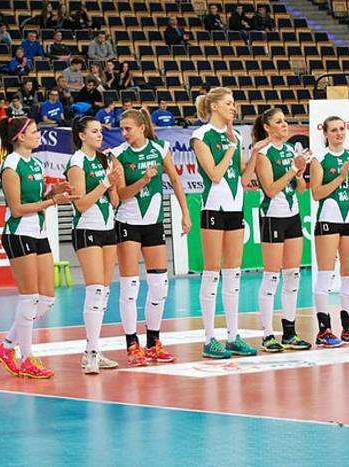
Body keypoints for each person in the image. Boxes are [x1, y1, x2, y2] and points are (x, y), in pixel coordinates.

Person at [0, 117, 76, 379]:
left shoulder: (35, 163)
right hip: (19, 233)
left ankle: (7, 346)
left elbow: (36, 198)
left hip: (38, 232)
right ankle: (26, 358)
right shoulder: (11, 165)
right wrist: (53, 202)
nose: (39, 135)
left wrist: (53, 191)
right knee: (29, 297)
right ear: (20, 136)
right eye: (35, 132)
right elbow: (17, 209)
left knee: (47, 298)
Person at [110, 108, 191, 365]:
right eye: (121, 129)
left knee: (159, 285)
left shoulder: (160, 148)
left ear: (142, 128)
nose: (124, 133)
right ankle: (131, 344)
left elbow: (176, 180)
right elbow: (120, 195)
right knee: (130, 286)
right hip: (128, 223)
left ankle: (153, 342)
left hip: (154, 223)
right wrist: (144, 180)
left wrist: (185, 213)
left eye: (128, 128)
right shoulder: (118, 155)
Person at [191, 87, 258, 358]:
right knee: (212, 271)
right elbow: (215, 174)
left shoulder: (237, 136)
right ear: (214, 106)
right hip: (213, 207)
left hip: (235, 207)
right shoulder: (200, 136)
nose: (233, 107)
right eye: (228, 103)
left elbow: (243, 176)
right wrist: (231, 146)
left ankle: (232, 336)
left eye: (233, 103)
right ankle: (209, 338)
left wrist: (255, 153)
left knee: (233, 272)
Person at [65, 116, 122, 374]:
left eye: (100, 131)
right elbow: (81, 204)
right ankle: (91, 354)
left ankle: (93, 349)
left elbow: (115, 202)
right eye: (94, 131)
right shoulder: (77, 162)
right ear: (81, 135)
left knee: (104, 291)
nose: (100, 135)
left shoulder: (104, 160)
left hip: (108, 227)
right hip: (86, 228)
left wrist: (114, 184)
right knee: (95, 289)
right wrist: (105, 183)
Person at [253, 109, 312, 352]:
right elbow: (270, 190)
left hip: (292, 215)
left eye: (285, 120)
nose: (285, 125)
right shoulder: (263, 154)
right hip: (272, 216)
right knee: (271, 276)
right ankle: (267, 334)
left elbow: (301, 188)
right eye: (279, 122)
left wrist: (300, 172)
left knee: (293, 275)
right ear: (267, 127)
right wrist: (292, 171)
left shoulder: (290, 151)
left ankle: (289, 332)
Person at [310, 116, 349, 348]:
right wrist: (341, 177)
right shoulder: (319, 159)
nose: (339, 133)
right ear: (325, 133)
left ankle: (348, 328)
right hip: (328, 218)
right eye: (334, 130)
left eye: (342, 129)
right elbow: (316, 193)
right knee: (326, 275)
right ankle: (324, 330)